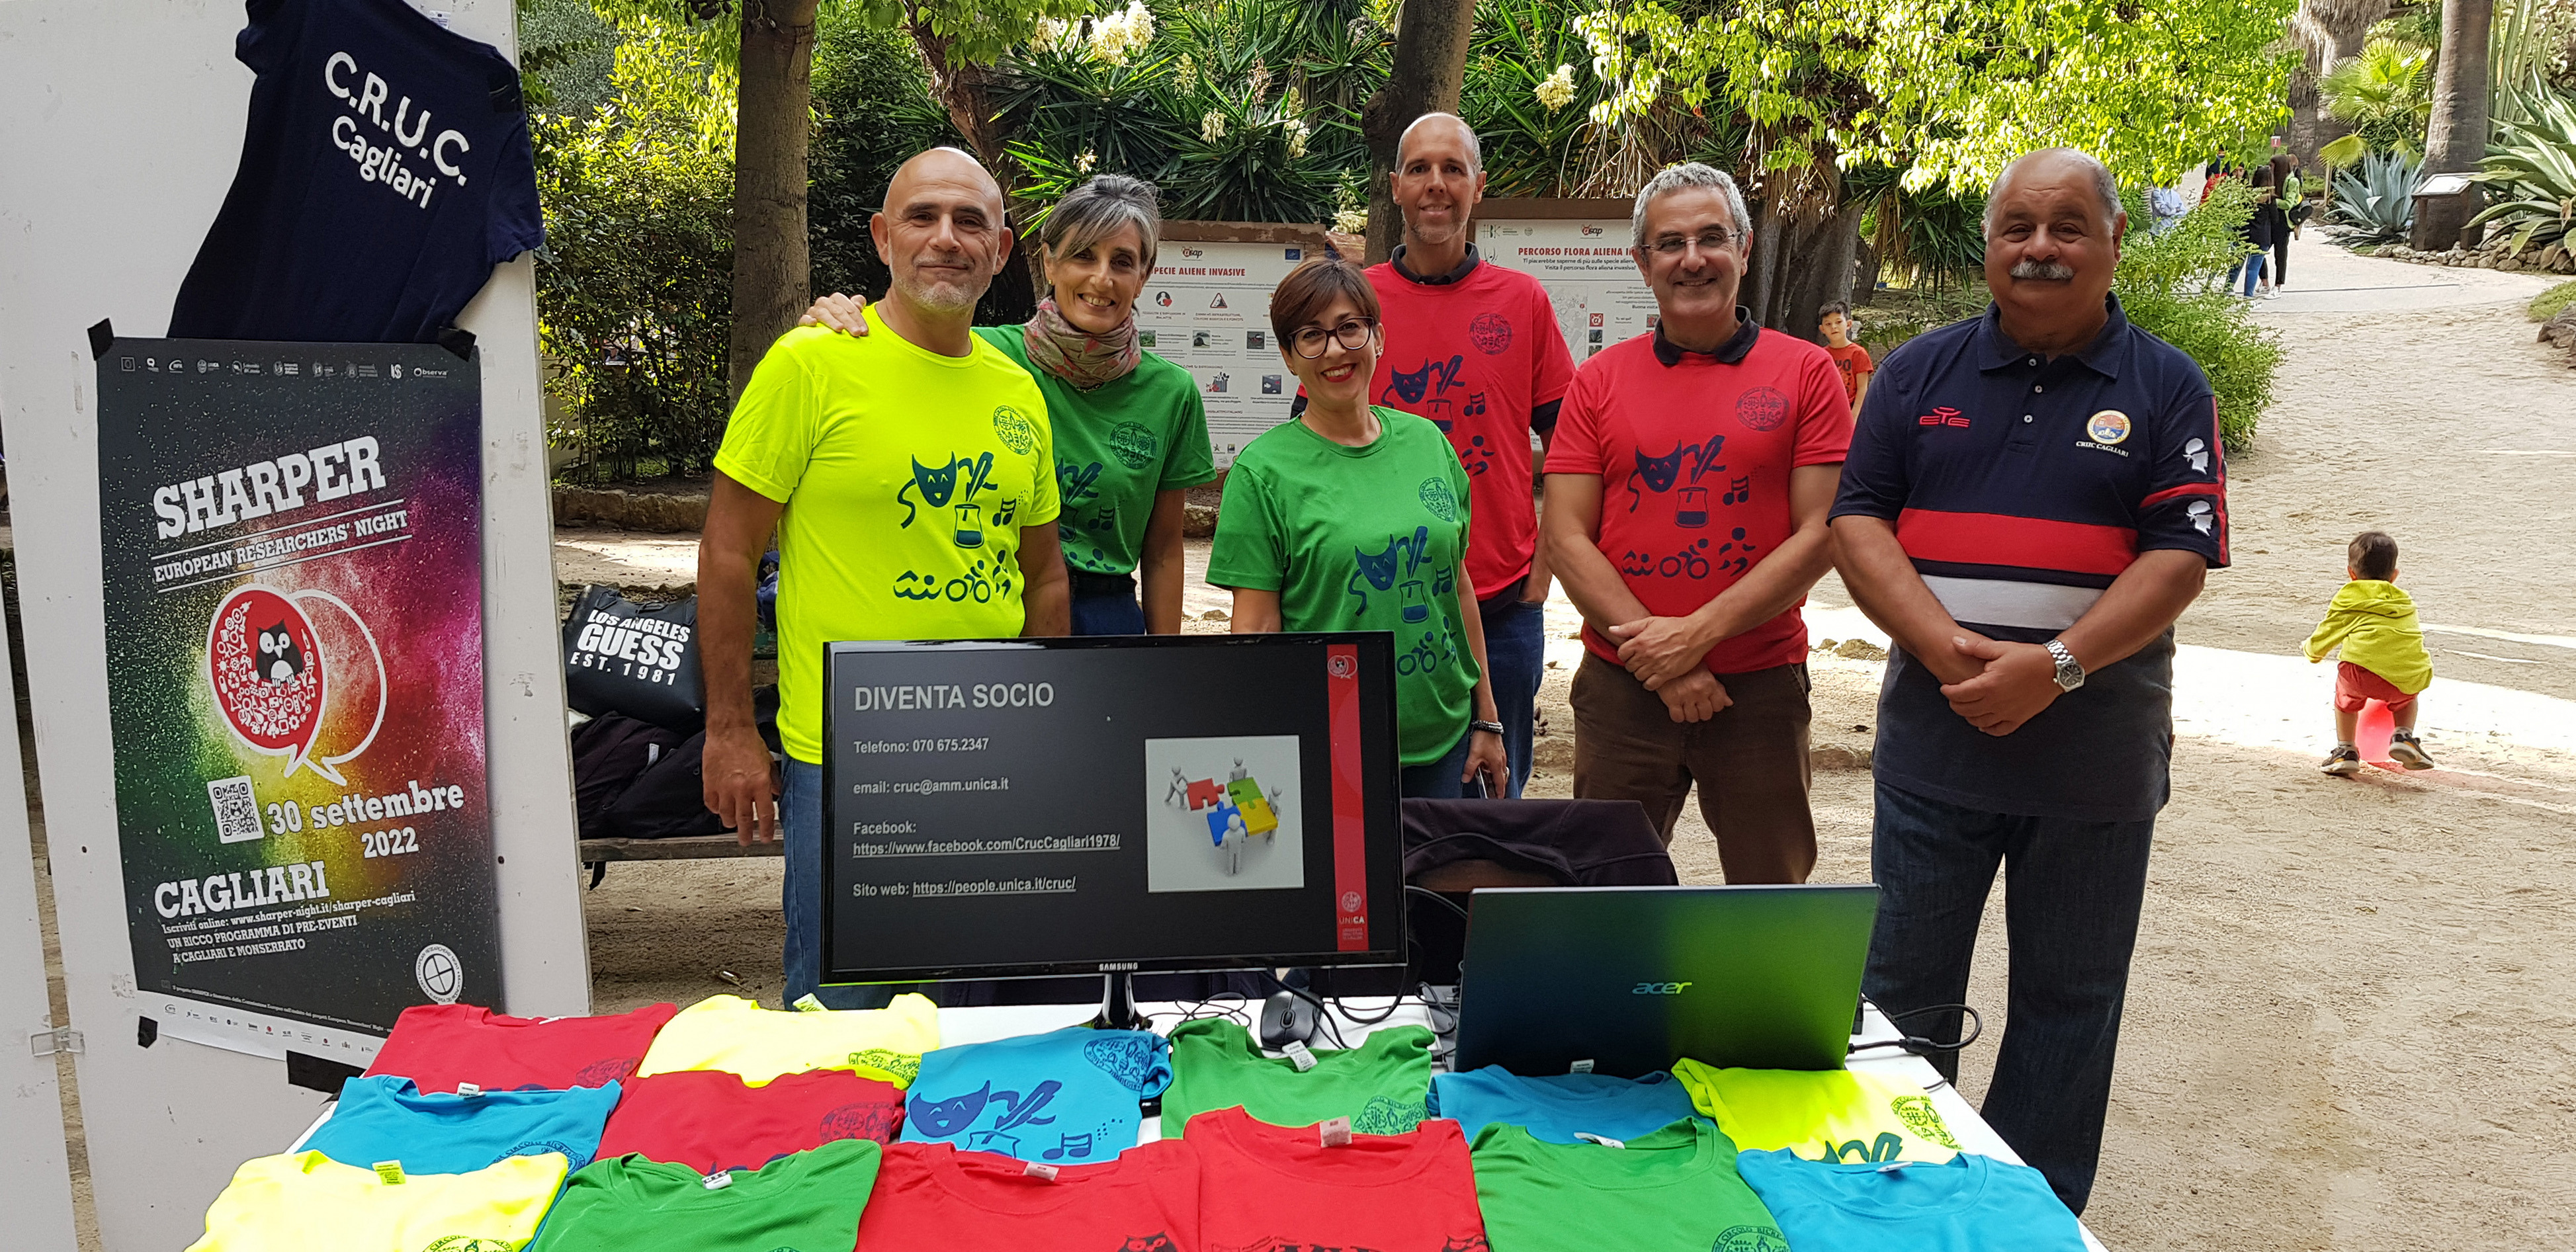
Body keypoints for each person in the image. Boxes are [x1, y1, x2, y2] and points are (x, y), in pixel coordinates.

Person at [1828, 147, 2229, 1214]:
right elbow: (1855, 518)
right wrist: (1943, 646)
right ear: (1990, 242)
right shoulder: (1917, 374)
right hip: (1936, 749)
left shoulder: (2165, 385)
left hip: (2092, 763)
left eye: (2064, 227)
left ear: (2110, 242)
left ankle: (2026, 1213)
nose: (2037, 247)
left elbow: (2177, 555)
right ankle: (1898, 1200)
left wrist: (2053, 667)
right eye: (2015, 226)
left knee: (2068, 997)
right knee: (1901, 992)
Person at [699, 147, 1068, 1009]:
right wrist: (729, 729)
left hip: (993, 760)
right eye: (922, 216)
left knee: (980, 1029)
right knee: (843, 1035)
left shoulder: (1019, 393)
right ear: (881, 237)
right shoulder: (810, 365)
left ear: (1003, 250)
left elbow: (1043, 573)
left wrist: (1050, 724)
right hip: (848, 769)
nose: (946, 238)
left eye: (969, 220)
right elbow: (726, 551)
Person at [1541, 163, 1852, 882]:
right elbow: (1565, 537)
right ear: (1643, 263)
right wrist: (1663, 663)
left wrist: (1695, 638)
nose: (1692, 259)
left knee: (1770, 901)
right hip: (1624, 688)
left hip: (1760, 687)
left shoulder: (1806, 374)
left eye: (1712, 238)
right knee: (1602, 894)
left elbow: (1822, 533)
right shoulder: (1600, 380)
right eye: (1670, 243)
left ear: (1744, 251)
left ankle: (1760, 1002)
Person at [798, 175, 1218, 635]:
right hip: (987, 600)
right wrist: (838, 321)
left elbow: (1161, 553)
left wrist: (1166, 666)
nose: (1103, 277)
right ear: (1050, 262)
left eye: (1122, 261)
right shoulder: (981, 354)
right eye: (1083, 255)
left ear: (1143, 278)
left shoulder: (1171, 392)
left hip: (1105, 618)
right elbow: (894, 342)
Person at [1329, 112, 1575, 796]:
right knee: (1367, 813)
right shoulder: (1356, 301)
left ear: (1478, 187)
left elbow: (1571, 448)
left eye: (1453, 169)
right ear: (1395, 188)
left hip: (1500, 606)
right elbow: (1313, 441)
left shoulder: (1522, 301)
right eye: (1419, 169)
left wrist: (1542, 576)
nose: (1436, 184)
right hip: (1379, 602)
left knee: (1491, 827)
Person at [1211, 257, 1510, 798]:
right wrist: (1257, 760)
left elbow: (1458, 588)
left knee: (1439, 885)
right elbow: (1256, 634)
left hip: (1446, 743)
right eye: (1311, 335)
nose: (1334, 350)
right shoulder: (1263, 473)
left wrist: (1485, 716)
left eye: (1350, 327)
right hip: (1330, 751)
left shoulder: (1428, 444)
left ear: (1378, 338)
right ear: (1287, 356)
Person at [2307, 530, 2436, 774]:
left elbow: (2329, 630)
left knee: (2345, 702)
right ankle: (2403, 735)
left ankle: (2346, 751)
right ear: (2394, 576)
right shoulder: (2404, 601)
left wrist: (2312, 651)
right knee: (2408, 698)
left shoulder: (2349, 596)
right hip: (2404, 675)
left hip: (2360, 673)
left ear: (2351, 574)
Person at [2224, 164, 2274, 298]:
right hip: (2262, 236)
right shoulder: (2270, 199)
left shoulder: (2248, 195)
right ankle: (2248, 295)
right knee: (2253, 268)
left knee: (2237, 263)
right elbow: (2275, 219)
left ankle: (2228, 288)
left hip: (2244, 233)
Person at [1820, 301, 1872, 417]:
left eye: (1838, 322)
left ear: (1848, 324)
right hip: (1827, 414)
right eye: (1828, 324)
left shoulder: (1858, 353)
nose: (1834, 327)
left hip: (1851, 412)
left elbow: (1862, 389)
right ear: (1822, 329)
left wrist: (1854, 416)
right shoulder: (1821, 355)